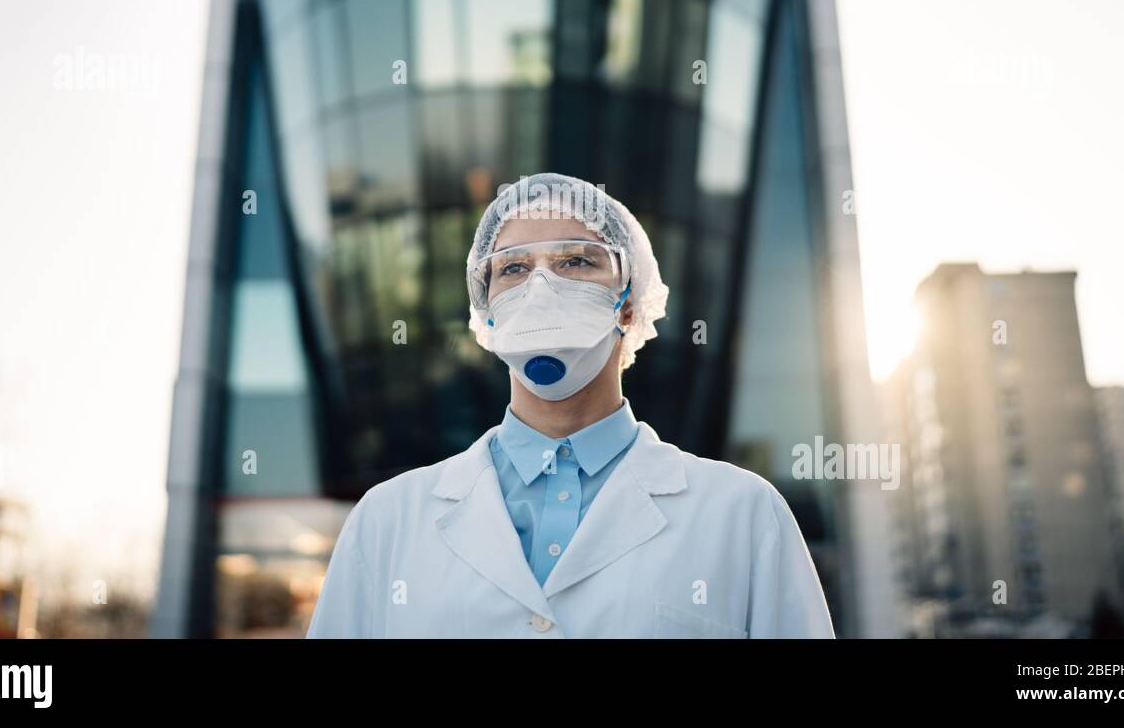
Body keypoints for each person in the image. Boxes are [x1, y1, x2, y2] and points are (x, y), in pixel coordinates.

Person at [307, 172, 834, 638]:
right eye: (512, 269)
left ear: (629, 303)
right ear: (485, 313)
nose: (541, 287)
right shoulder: (386, 521)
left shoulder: (741, 515)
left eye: (575, 260)